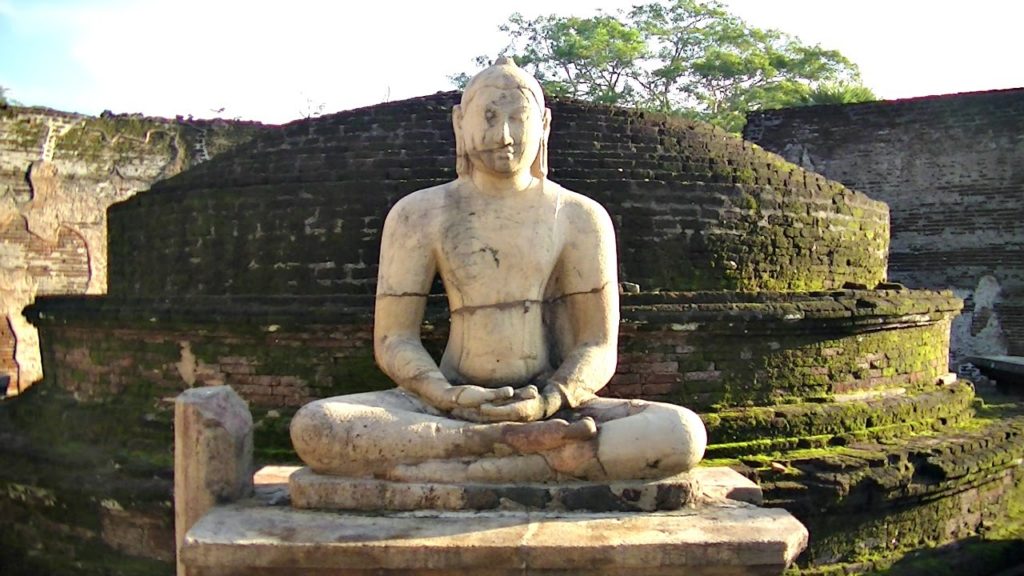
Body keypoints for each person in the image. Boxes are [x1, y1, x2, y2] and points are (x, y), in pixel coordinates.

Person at [290, 58, 706, 483]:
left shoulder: (580, 216)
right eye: (488, 117)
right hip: (445, 403)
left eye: (518, 119)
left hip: (551, 405)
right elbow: (394, 339)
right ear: (460, 124)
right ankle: (523, 454)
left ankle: (470, 461)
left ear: (544, 126)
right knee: (317, 426)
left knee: (681, 433)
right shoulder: (418, 214)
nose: (503, 136)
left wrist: (548, 401)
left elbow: (598, 345)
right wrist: (445, 394)